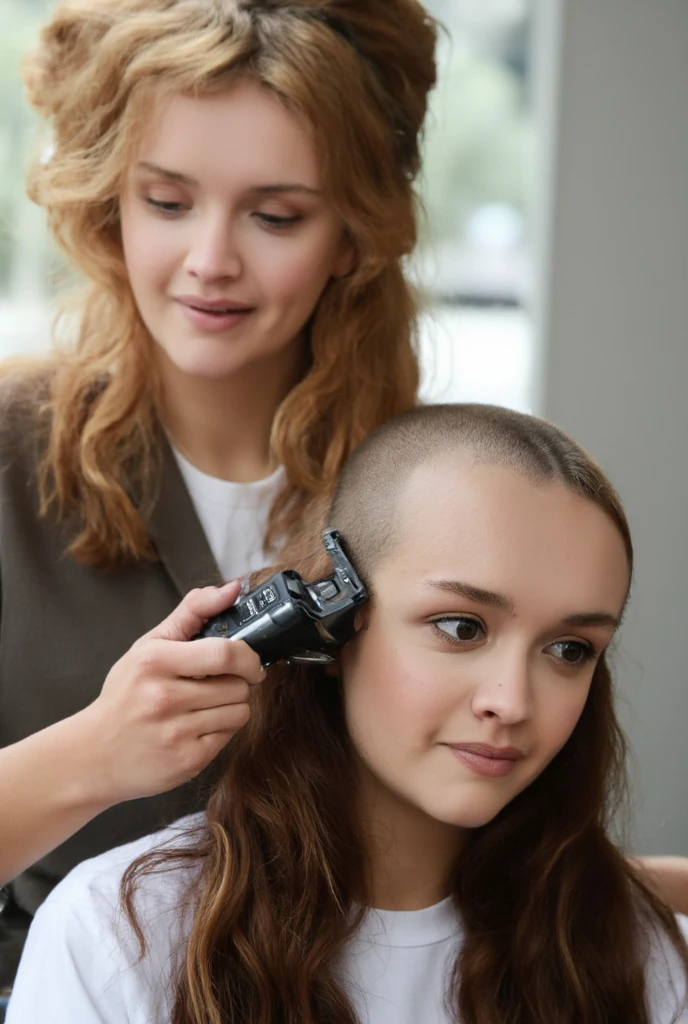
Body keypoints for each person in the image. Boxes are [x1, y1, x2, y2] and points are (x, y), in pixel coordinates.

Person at [0, 0, 436, 987]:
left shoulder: (440, 484)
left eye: (275, 215)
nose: (210, 260)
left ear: (355, 235)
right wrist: (97, 755)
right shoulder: (6, 453)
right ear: (108, 204)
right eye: (166, 201)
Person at [7, 403, 688, 1023]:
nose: (510, 701)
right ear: (333, 631)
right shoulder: (116, 937)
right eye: (461, 628)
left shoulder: (641, 953)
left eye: (570, 649)